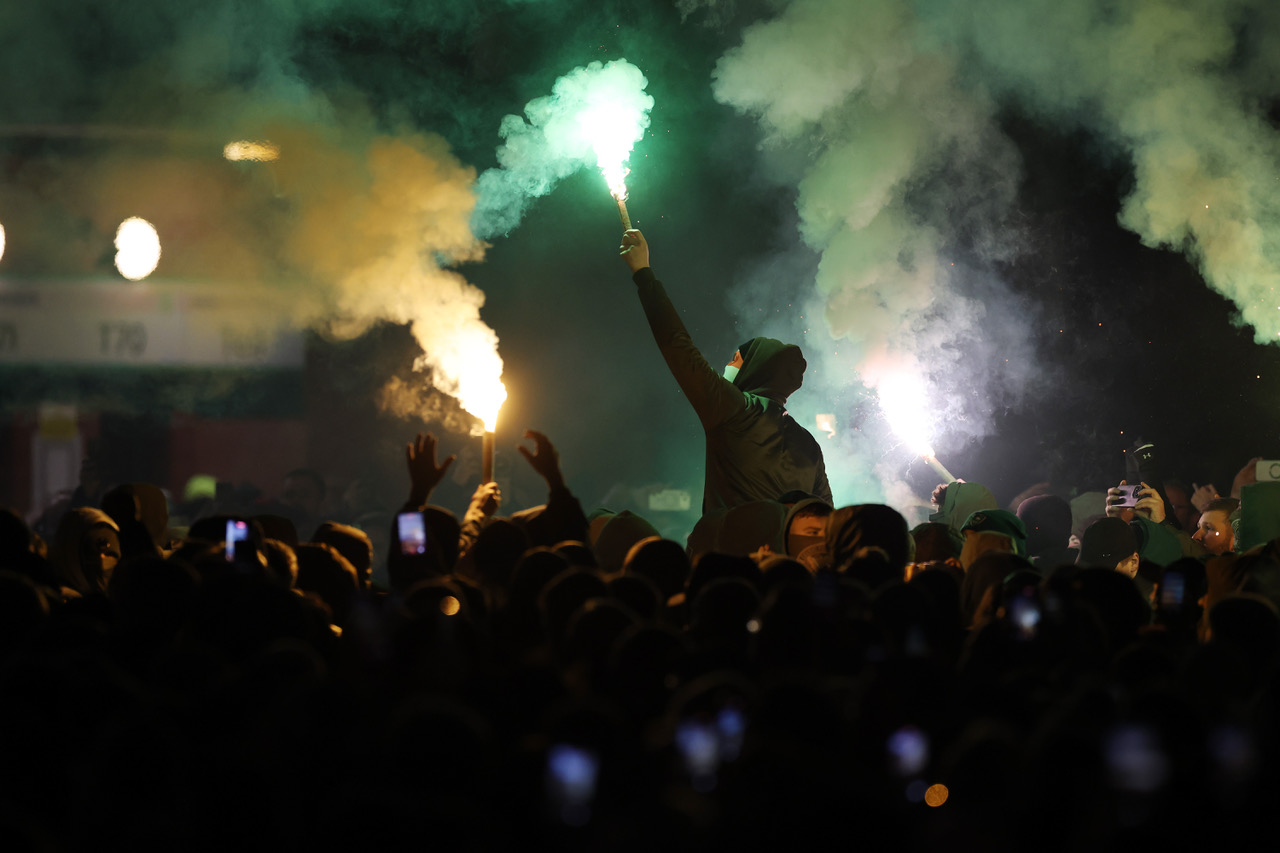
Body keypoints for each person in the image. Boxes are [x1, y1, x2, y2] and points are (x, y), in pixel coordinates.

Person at [618, 229, 832, 513]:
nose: (727, 365)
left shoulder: (735, 411)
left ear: (757, 369)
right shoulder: (809, 444)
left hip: (727, 556)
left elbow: (678, 346)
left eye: (736, 359)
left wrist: (643, 273)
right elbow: (825, 516)